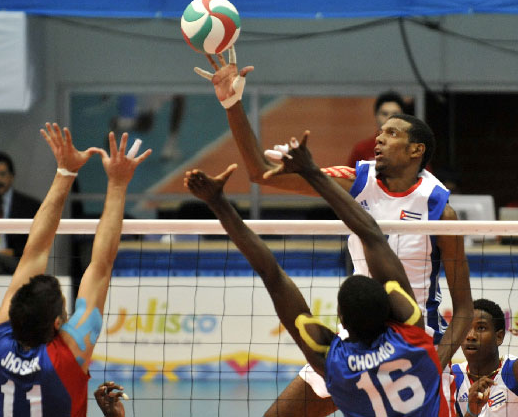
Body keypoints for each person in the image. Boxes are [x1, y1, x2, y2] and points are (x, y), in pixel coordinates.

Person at [193, 47, 472, 417]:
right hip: (356, 337)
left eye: (391, 133)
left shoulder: (440, 211)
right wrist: (232, 103)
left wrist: (435, 362)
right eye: (379, 132)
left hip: (414, 338)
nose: (379, 139)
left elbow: (464, 309)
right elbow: (259, 172)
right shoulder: (357, 182)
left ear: (416, 150)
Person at [184, 131, 452, 417]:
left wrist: (218, 203)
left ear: (341, 322)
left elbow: (272, 276)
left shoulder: (334, 364)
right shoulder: (413, 334)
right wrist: (312, 171)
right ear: (396, 305)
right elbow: (372, 235)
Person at [0, 123, 151, 416]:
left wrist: (65, 172)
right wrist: (117, 184)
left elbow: (34, 252)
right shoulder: (67, 356)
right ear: (56, 324)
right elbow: (99, 267)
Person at [347, 91, 411, 167]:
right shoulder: (362, 149)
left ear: (403, 117)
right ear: (376, 115)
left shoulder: (411, 149)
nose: (389, 118)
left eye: (395, 114)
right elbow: (351, 174)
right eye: (385, 114)